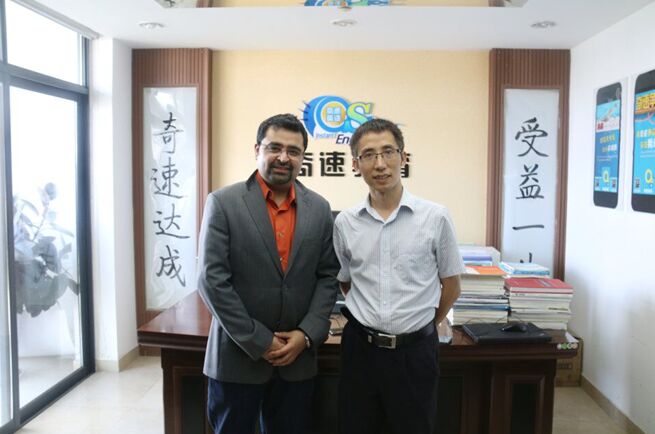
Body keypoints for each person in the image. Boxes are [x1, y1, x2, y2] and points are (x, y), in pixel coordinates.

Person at [197, 113, 339, 434]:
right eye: (275, 147)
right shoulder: (223, 202)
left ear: (302, 157)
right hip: (237, 358)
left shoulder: (319, 208)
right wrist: (260, 340)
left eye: (294, 151)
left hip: (296, 360)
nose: (284, 157)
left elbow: (328, 276)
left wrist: (306, 334)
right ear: (257, 149)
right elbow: (211, 280)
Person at [333, 118, 465, 434]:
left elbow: (451, 285)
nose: (380, 164)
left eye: (388, 152)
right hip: (360, 351)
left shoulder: (435, 217)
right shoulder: (345, 223)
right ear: (355, 164)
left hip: (414, 353)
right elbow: (346, 282)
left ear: (403, 157)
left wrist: (423, 324)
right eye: (368, 155)